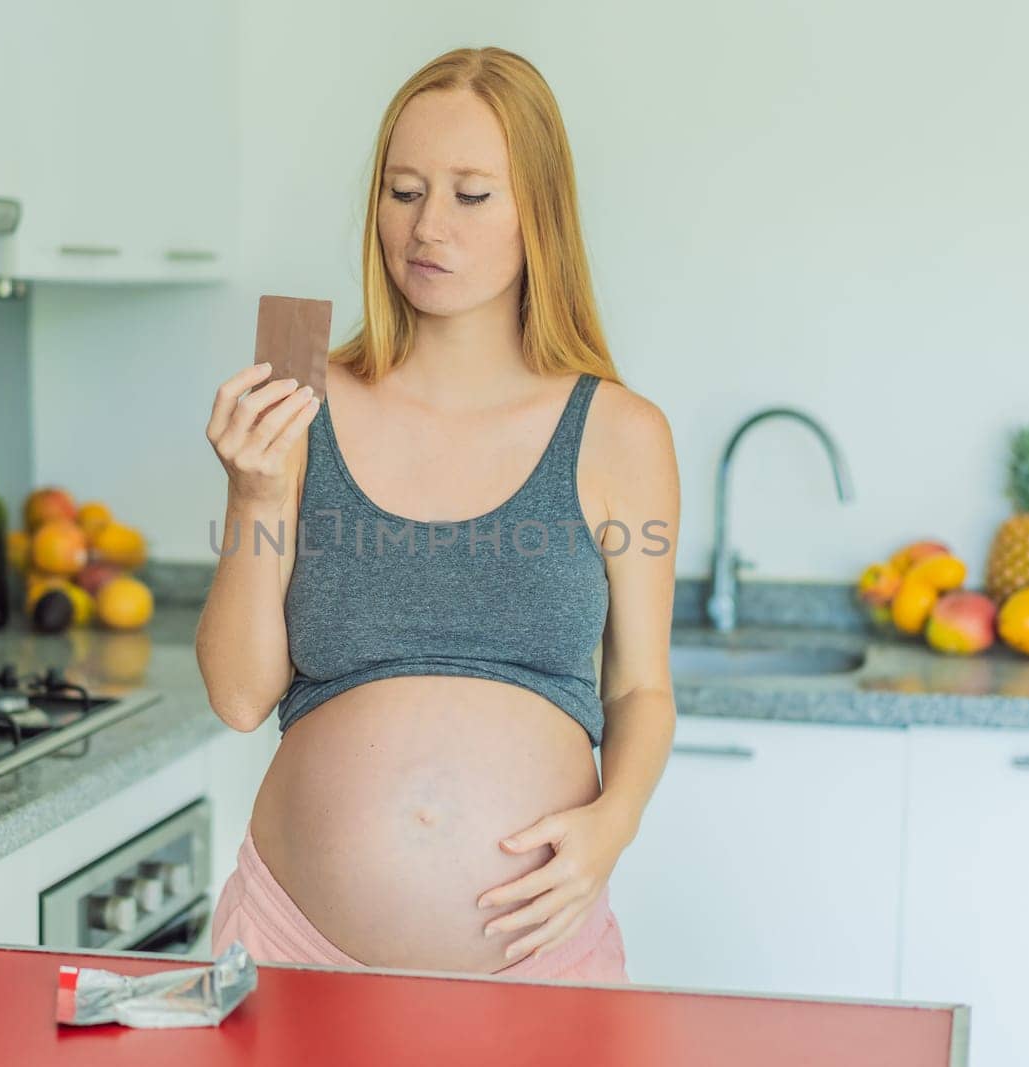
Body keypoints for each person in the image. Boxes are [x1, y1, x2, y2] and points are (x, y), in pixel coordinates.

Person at [197, 46, 678, 983]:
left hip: (537, 960)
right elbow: (239, 695)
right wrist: (253, 491)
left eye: (471, 195)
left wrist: (610, 830)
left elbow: (640, 692)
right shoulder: (300, 396)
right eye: (404, 189)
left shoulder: (620, 432)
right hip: (295, 949)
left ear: (538, 211)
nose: (427, 228)